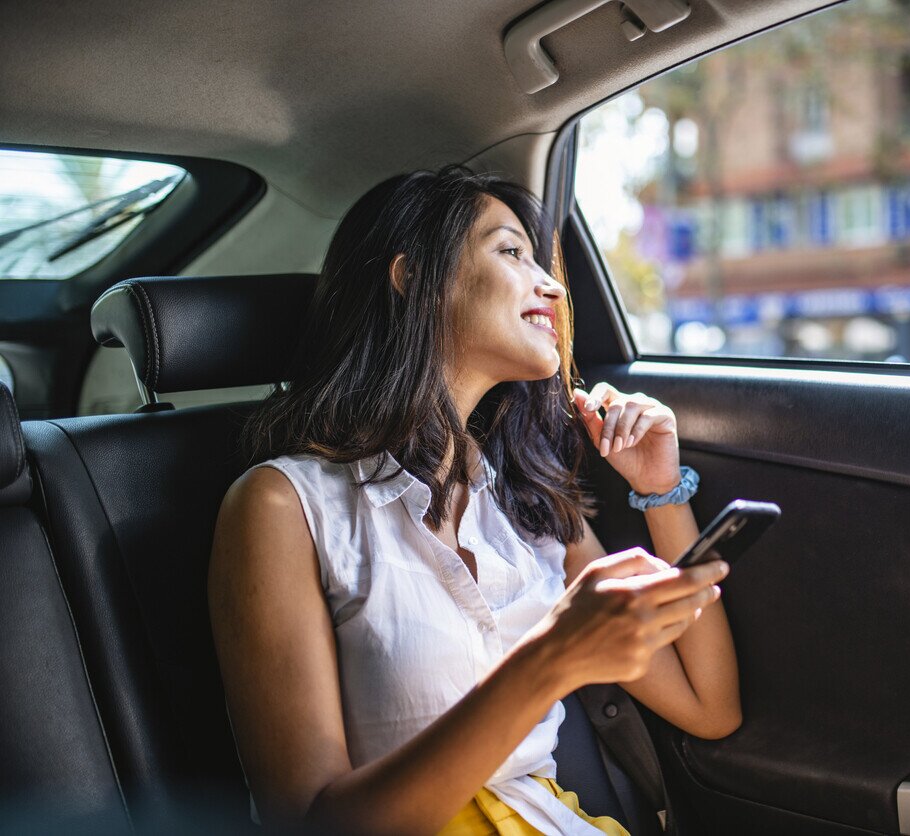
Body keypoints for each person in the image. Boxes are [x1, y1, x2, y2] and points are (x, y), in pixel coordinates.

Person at [207, 164, 742, 836]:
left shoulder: (527, 499)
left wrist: (659, 489)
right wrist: (552, 658)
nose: (552, 285)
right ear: (415, 278)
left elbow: (709, 708)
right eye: (512, 252)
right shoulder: (283, 506)